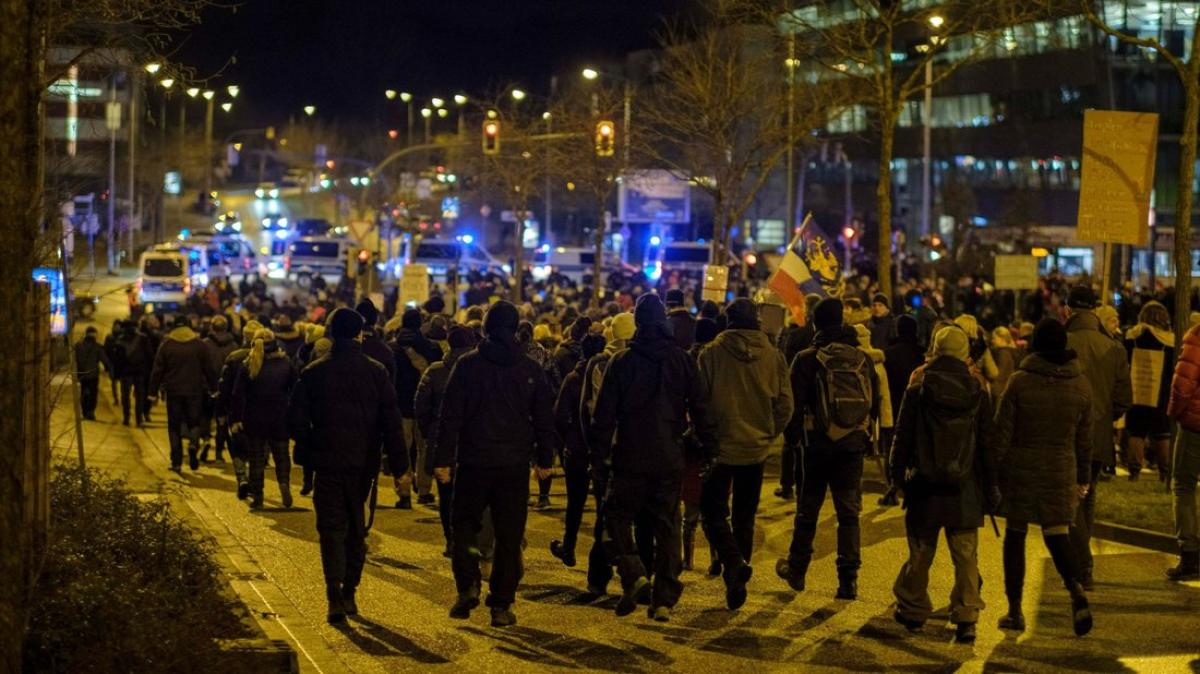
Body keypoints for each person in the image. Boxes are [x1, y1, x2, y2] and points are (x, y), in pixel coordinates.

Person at [434, 301, 557, 628]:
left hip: (473, 460)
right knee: (508, 534)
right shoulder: (529, 369)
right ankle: (501, 603)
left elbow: (450, 416)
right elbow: (543, 417)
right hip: (513, 464)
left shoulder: (468, 365)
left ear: (487, 328)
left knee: (464, 525)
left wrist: (443, 459)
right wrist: (545, 459)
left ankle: (468, 584)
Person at [589, 294, 709, 622]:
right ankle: (664, 599)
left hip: (630, 454)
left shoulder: (622, 362)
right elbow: (700, 407)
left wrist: (598, 457)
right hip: (669, 454)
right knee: (667, 525)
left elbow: (604, 417)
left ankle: (633, 572)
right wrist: (707, 446)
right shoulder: (682, 361)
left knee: (616, 516)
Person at [287, 308, 408, 624]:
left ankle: (334, 594)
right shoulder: (376, 372)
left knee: (330, 528)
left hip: (327, 462)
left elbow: (296, 421)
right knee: (356, 528)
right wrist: (400, 468)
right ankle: (350, 590)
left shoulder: (313, 372)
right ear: (359, 334)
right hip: (363, 463)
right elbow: (392, 424)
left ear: (331, 333)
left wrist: (308, 449)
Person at [889, 326, 998, 644]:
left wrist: (896, 476)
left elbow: (903, 436)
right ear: (965, 352)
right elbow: (987, 444)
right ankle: (966, 616)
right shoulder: (977, 390)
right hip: (965, 485)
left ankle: (913, 609)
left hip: (924, 483)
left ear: (935, 349)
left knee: (921, 552)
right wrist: (992, 486)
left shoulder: (919, 387)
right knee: (965, 555)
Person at [994, 318, 1094, 637]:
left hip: (1021, 467)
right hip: (1060, 468)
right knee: (1057, 533)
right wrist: (1083, 477)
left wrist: (993, 470)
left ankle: (1014, 610)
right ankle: (1075, 588)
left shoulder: (1019, 382)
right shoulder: (1080, 384)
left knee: (1015, 535)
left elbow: (1002, 431)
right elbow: (1084, 440)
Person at [776, 297, 879, 600]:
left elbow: (793, 406)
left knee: (808, 509)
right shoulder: (862, 359)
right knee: (848, 513)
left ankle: (797, 569)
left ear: (816, 324)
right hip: (851, 446)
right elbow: (874, 403)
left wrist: (793, 440)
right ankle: (848, 580)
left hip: (816, 446)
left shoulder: (807, 359)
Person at [696, 299, 792, 610]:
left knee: (711, 512)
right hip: (755, 449)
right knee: (744, 517)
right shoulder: (773, 356)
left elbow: (700, 401)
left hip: (721, 447)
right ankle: (737, 572)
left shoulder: (711, 353)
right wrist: (768, 432)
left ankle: (734, 563)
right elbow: (785, 404)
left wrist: (707, 435)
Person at [1064, 286, 1132, 589]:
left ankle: (1081, 565)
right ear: (1093, 310)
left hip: (1066, 434)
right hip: (1097, 434)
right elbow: (1123, 399)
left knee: (1071, 500)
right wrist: (1103, 418)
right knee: (1086, 497)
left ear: (1068, 310)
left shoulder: (1061, 342)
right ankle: (1081, 564)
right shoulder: (1113, 347)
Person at [413, 325, 478, 557]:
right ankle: (468, 538)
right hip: (473, 442)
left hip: (442, 441)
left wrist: (429, 431)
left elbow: (421, 407)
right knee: (472, 495)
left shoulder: (436, 370)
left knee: (446, 495)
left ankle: (451, 539)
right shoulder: (479, 369)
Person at [549, 333, 607, 568]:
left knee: (575, 502)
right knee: (602, 504)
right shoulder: (607, 376)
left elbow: (559, 416)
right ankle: (602, 552)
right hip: (600, 449)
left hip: (577, 449)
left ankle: (569, 546)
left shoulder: (574, 378)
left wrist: (569, 439)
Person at [231, 329, 298, 510]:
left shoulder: (248, 364)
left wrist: (236, 419)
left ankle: (258, 496)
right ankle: (283, 482)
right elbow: (295, 389)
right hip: (279, 416)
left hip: (254, 418)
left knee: (256, 458)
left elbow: (238, 394)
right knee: (281, 455)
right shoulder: (285, 363)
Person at [149, 315, 218, 472]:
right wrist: (214, 388)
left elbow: (157, 370)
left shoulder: (167, 346)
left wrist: (152, 392)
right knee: (194, 422)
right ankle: (193, 444)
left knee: (174, 426)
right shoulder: (199, 345)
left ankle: (176, 462)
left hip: (174, 391)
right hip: (195, 391)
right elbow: (209, 369)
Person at [390, 308, 442, 509]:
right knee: (424, 449)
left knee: (402, 450)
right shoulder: (431, 347)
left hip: (400, 405)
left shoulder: (393, 348)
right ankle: (424, 490)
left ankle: (404, 493)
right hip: (424, 407)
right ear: (420, 324)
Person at [1124, 301, 1175, 482]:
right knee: (1162, 433)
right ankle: (1165, 472)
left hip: (1137, 389)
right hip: (1161, 393)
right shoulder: (1169, 342)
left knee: (1136, 431)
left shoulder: (1132, 337)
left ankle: (1134, 471)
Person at [1167, 320, 1200, 580]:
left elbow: (1183, 384)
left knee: (1183, 485)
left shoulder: (1197, 337)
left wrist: (1175, 413)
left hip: (1195, 425)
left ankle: (1189, 553)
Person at [204, 316, 238, 462]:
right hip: (227, 388)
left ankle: (205, 439)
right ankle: (219, 452)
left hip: (208, 386)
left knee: (205, 417)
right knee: (222, 421)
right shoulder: (234, 346)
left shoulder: (205, 344)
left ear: (212, 327)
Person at [113, 320, 153, 426]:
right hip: (139, 372)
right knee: (139, 396)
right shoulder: (143, 339)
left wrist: (116, 374)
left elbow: (117, 360)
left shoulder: (120, 341)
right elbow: (149, 356)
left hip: (125, 372)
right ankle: (139, 419)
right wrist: (149, 371)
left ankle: (126, 418)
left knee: (126, 397)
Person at [74, 326, 111, 421]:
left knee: (84, 392)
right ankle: (90, 412)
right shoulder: (97, 347)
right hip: (93, 375)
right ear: (95, 335)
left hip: (82, 374)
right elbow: (104, 359)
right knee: (93, 394)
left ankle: (84, 411)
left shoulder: (78, 346)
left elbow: (74, 359)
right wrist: (108, 368)